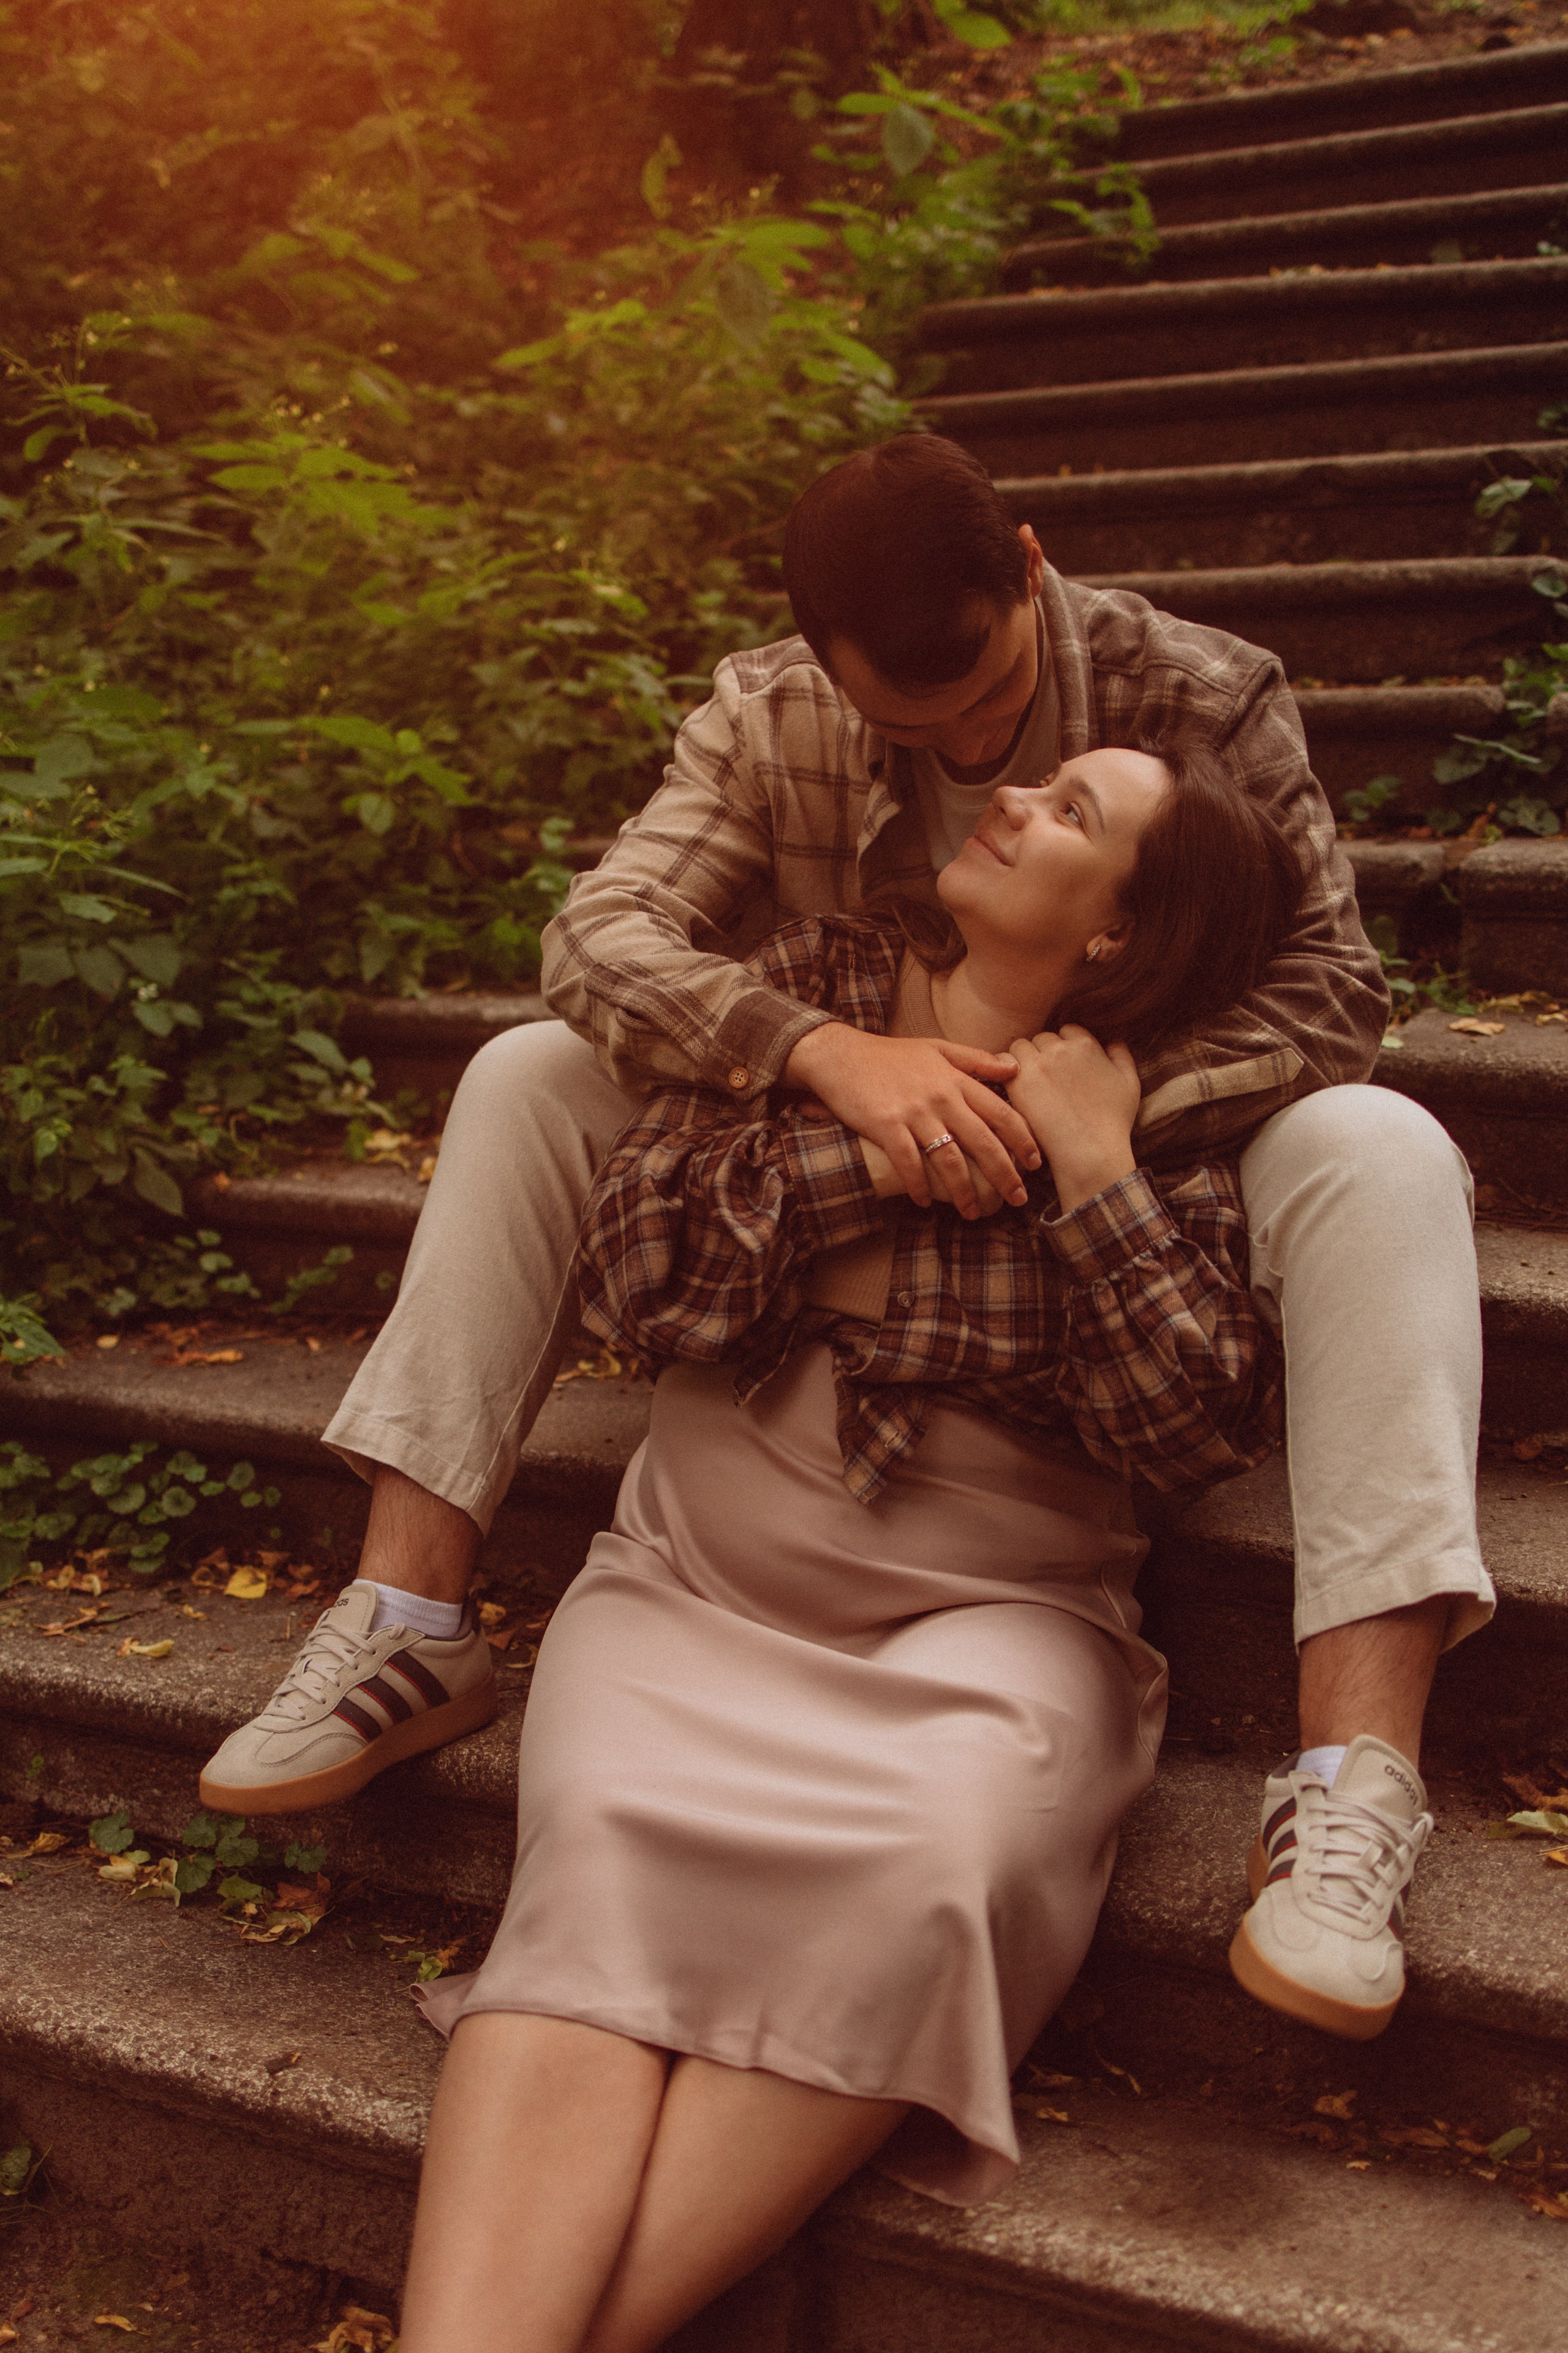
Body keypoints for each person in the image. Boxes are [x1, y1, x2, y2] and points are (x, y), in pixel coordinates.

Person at [199, 431, 1493, 2047]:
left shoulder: (1200, 691)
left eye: (991, 701)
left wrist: (1065, 1124)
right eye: (915, 724)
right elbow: (598, 939)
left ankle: (1347, 1785)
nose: (968, 750)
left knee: (1383, 1148)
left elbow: (1332, 989)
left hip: (1151, 1135)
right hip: (817, 1108)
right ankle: (409, 1617)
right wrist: (827, 1058)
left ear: (1027, 564)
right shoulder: (770, 712)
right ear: (825, 660)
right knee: (530, 1070)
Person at [396, 738, 1303, 2353]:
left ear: (1112, 933)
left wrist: (1089, 1173)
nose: (1012, 801)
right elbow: (639, 1267)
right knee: (602, 1842)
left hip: (999, 1626)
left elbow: (1186, 1428)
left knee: (927, 1867)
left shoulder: (1155, 1101)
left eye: (1069, 812)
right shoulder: (809, 982)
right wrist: (860, 1142)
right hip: (693, 1591)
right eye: (1032, 785)